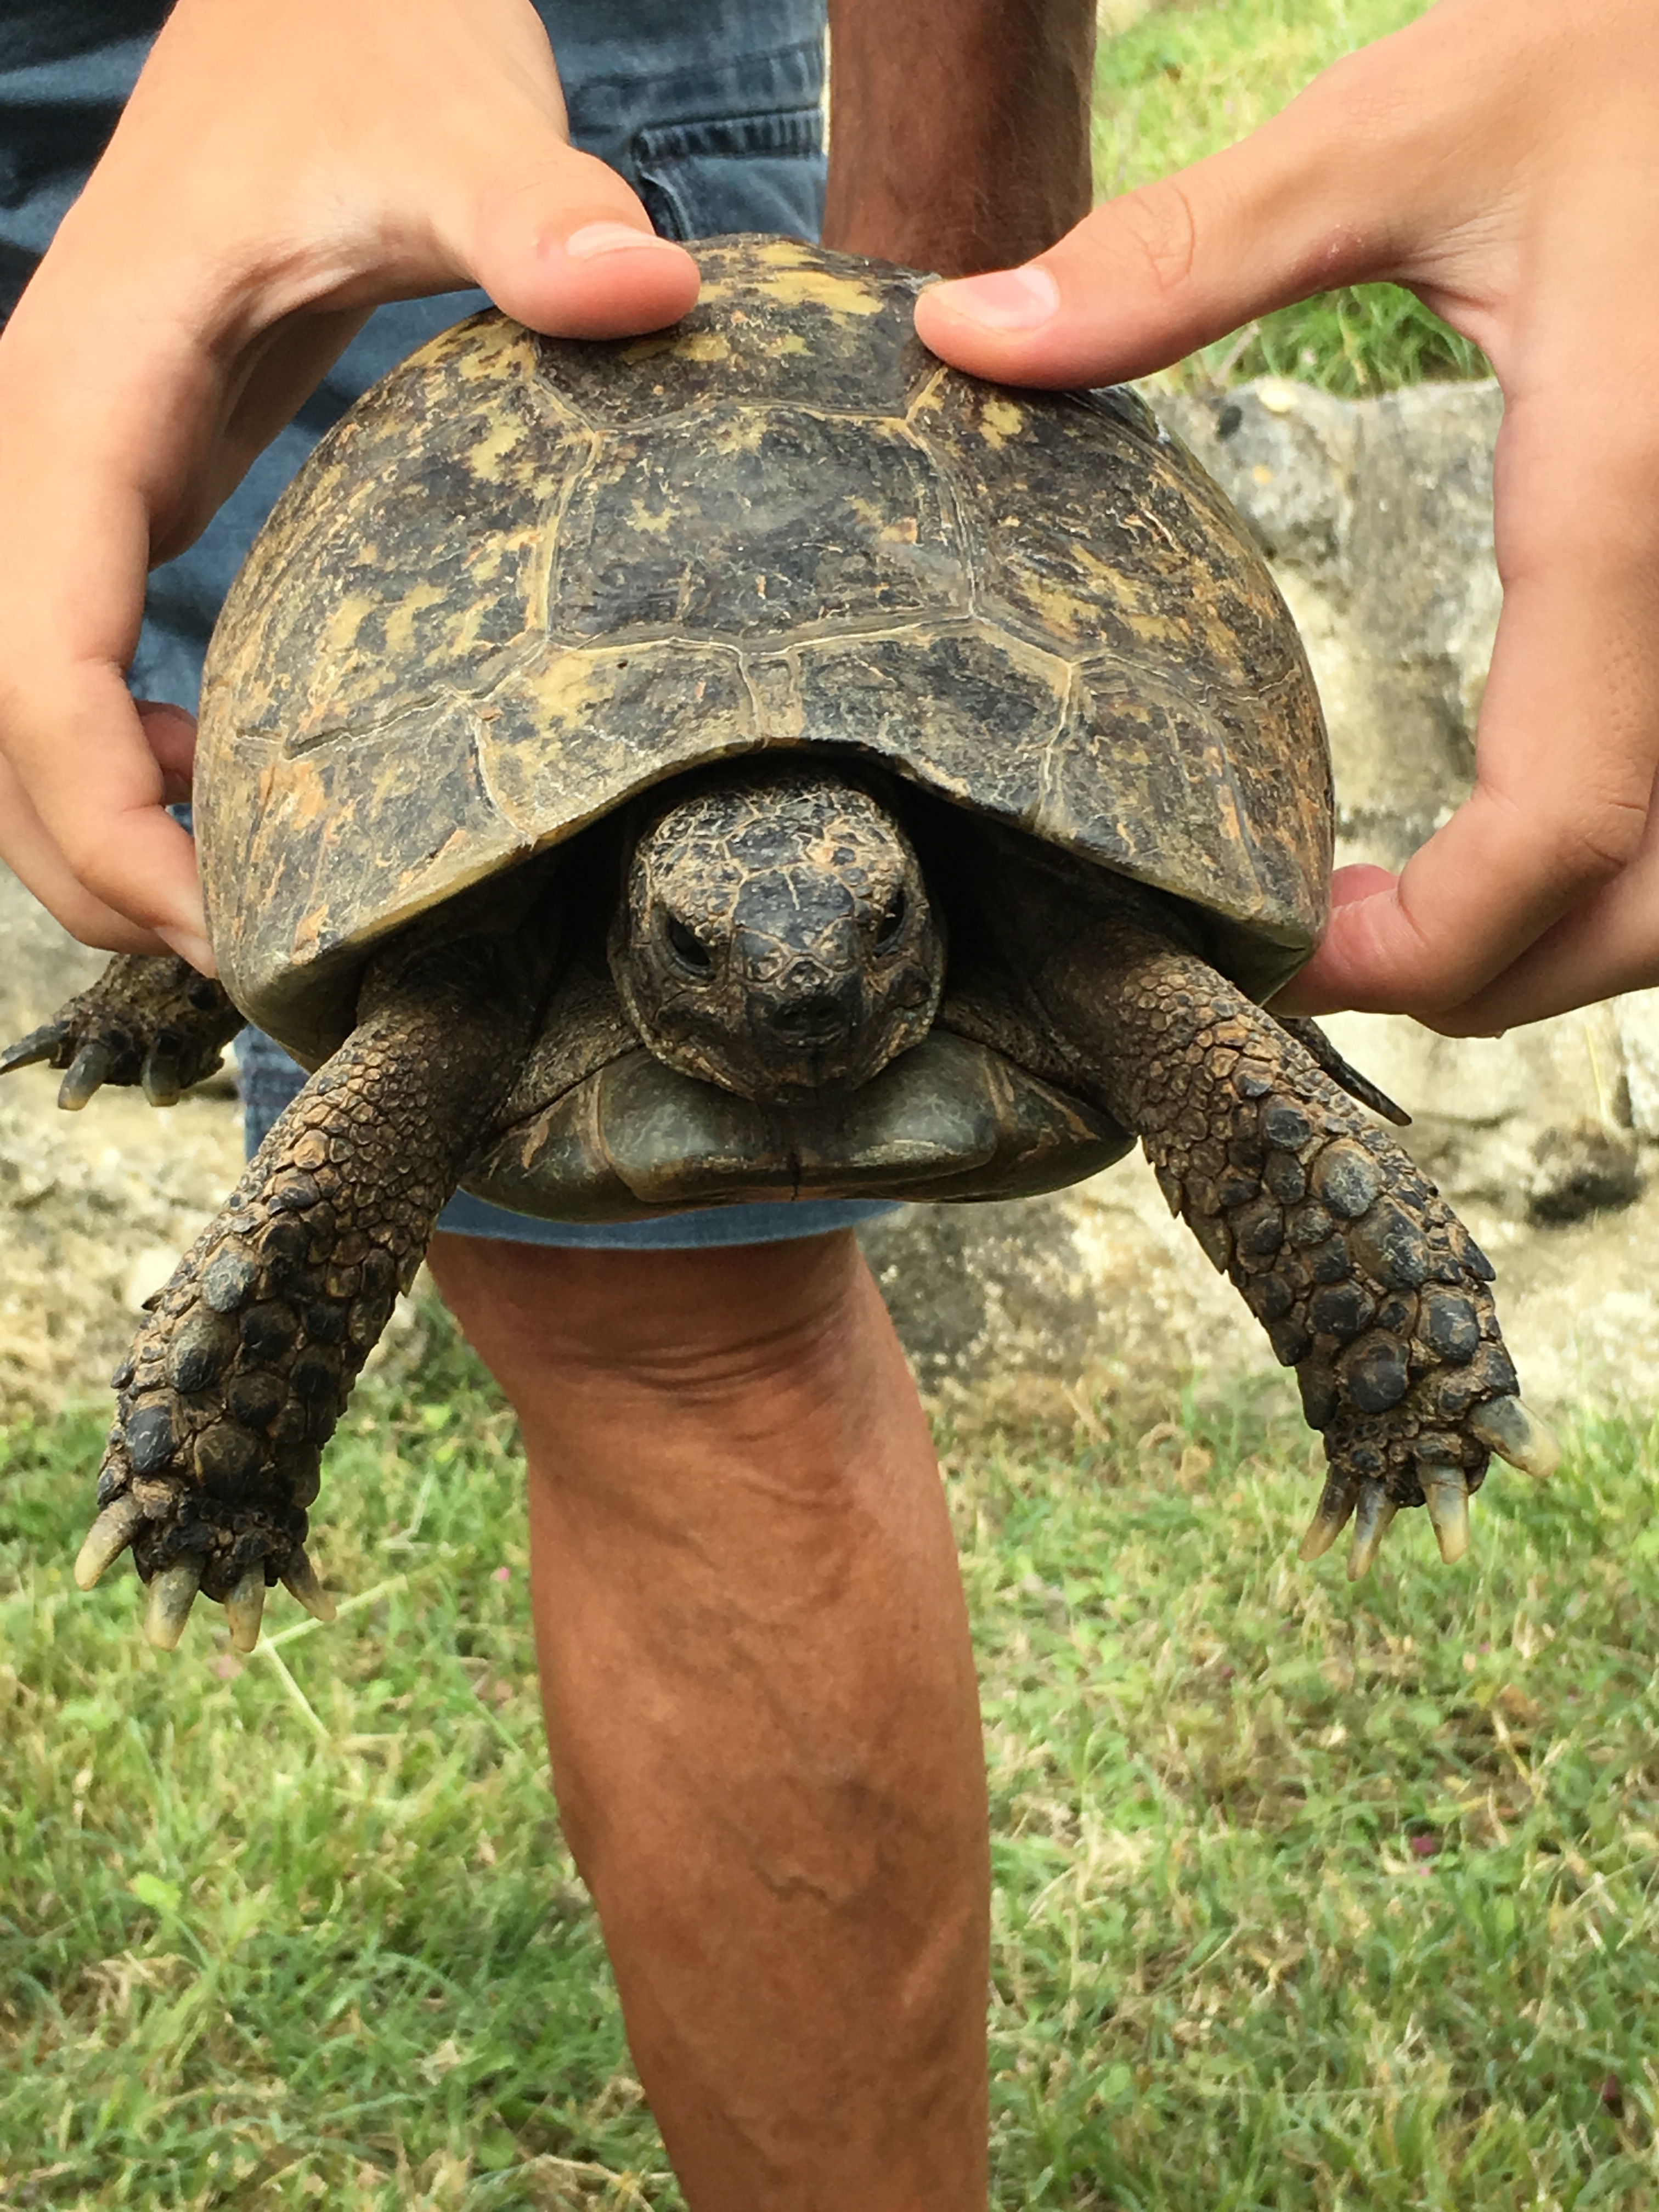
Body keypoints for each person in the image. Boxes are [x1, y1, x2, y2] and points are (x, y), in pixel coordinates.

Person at [0, 2, 1651, 2204]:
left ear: (918, 919)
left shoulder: (1056, 952)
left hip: (569, 84)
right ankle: (178, 1006)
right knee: (280, 938)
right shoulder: (507, 977)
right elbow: (383, 1014)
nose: (797, 999)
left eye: (862, 954)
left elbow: (1218, 1066)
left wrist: (1386, 1326)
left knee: (690, 1360)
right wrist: (236, 1387)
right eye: (712, 967)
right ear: (641, 937)